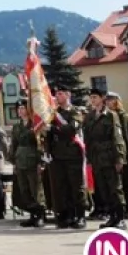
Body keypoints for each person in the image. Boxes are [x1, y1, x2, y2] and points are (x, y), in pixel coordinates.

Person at [84, 89, 126, 230]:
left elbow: (117, 137)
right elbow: (87, 139)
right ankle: (111, 217)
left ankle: (120, 218)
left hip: (109, 156)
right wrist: (89, 157)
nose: (93, 100)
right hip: (96, 158)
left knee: (115, 188)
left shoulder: (111, 116)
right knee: (103, 189)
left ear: (102, 98)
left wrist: (119, 158)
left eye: (95, 97)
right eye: (91, 98)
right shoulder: (90, 116)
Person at [47, 86, 87, 229]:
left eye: (61, 93)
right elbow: (49, 135)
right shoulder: (53, 113)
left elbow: (71, 129)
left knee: (76, 186)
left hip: (72, 154)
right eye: (56, 94)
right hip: (57, 155)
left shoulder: (75, 111)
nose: (57, 96)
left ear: (68, 94)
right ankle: (67, 215)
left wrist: (54, 129)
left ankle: (80, 215)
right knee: (62, 187)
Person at [10, 100, 46, 228]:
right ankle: (32, 214)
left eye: (23, 108)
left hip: (32, 160)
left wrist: (40, 162)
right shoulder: (17, 126)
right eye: (18, 108)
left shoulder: (35, 125)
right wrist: (13, 162)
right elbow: (13, 145)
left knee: (36, 189)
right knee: (24, 190)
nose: (20, 111)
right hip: (20, 161)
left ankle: (40, 215)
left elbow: (40, 144)